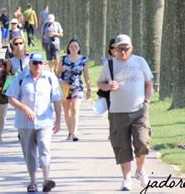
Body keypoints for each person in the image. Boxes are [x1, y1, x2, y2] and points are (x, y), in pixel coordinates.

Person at [97, 34, 154, 191]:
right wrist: (108, 86)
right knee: (122, 146)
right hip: (117, 112)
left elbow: (149, 84)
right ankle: (126, 178)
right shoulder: (109, 65)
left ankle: (140, 170)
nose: (122, 52)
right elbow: (100, 83)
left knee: (142, 142)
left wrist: (147, 103)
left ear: (131, 49)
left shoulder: (140, 62)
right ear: (114, 49)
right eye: (119, 48)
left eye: (125, 48)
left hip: (139, 110)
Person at [5, 52, 62, 193]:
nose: (37, 66)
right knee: (29, 153)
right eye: (34, 63)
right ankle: (32, 181)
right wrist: (24, 108)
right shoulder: (21, 77)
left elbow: (56, 99)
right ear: (29, 63)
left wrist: (59, 120)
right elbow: (11, 98)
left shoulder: (50, 78)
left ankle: (46, 180)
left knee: (44, 148)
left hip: (45, 121)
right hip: (25, 123)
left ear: (44, 64)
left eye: (40, 63)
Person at [57, 38, 90, 141]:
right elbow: (57, 74)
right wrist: (60, 70)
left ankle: (74, 133)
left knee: (75, 108)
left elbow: (86, 75)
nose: (73, 48)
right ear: (68, 48)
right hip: (64, 87)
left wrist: (88, 89)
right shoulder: (63, 59)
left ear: (79, 48)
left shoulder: (83, 59)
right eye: (71, 46)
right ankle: (70, 132)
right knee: (67, 112)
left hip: (77, 87)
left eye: (76, 46)